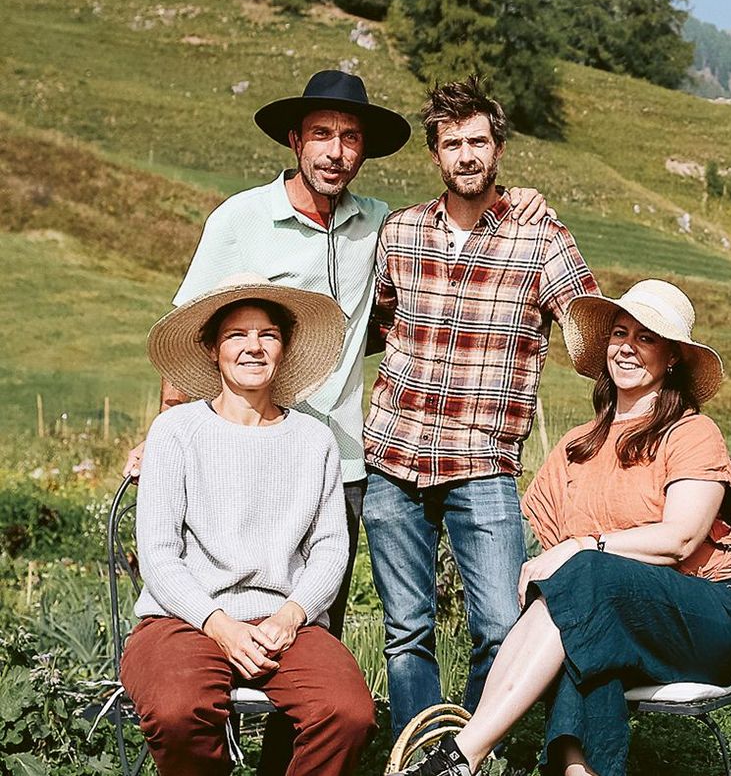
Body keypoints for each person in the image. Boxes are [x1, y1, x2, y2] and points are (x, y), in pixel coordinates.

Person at [126, 69, 549, 641]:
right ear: (295, 141)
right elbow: (191, 337)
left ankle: (307, 732)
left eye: (350, 137)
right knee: (215, 607)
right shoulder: (238, 220)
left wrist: (512, 198)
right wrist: (165, 433)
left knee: (316, 626)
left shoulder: (380, 224)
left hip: (342, 460)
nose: (335, 151)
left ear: (364, 150)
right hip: (236, 451)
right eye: (321, 133)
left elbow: (433, 257)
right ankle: (211, 725)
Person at [394, 279, 731, 776]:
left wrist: (589, 545)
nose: (627, 347)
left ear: (672, 357)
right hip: (613, 618)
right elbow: (549, 555)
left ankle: (463, 752)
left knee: (585, 578)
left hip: (704, 617)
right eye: (619, 333)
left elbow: (681, 538)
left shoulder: (692, 432)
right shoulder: (576, 446)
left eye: (646, 338)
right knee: (583, 620)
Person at [363, 76, 600, 738]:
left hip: (482, 461)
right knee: (406, 632)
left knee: (499, 626)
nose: (466, 154)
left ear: (498, 148)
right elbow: (381, 320)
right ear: (434, 154)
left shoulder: (541, 237)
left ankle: (465, 749)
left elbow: (593, 333)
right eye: (451, 143)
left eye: (478, 141)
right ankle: (419, 752)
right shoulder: (402, 231)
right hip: (393, 456)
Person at [119, 274, 375, 775]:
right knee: (176, 710)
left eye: (268, 335)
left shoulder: (313, 439)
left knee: (347, 714)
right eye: (237, 334)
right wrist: (221, 626)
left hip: (282, 622)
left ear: (284, 349)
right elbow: (158, 555)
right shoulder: (176, 431)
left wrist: (291, 617)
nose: (253, 347)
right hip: (183, 618)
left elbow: (328, 549)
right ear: (214, 349)